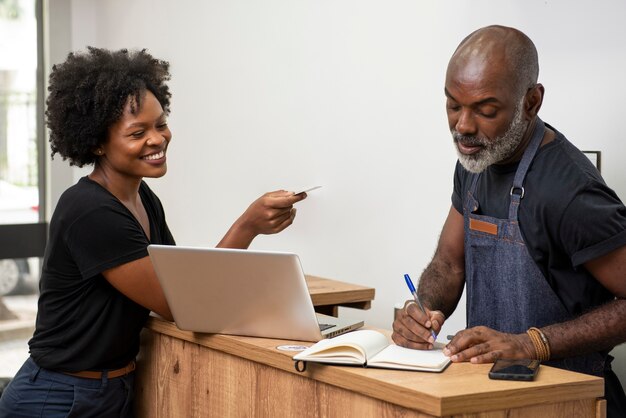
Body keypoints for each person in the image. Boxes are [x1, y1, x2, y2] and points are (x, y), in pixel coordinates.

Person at [0, 47, 306, 417]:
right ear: (97, 142)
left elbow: (185, 280)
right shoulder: (91, 212)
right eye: (137, 132)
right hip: (59, 397)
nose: (158, 139)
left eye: (160, 124)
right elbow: (183, 302)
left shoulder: (143, 197)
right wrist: (247, 226)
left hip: (108, 389)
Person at [392, 25, 626, 416]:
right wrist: (422, 311)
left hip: (570, 402)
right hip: (492, 398)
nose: (463, 126)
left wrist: (533, 343)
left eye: (486, 110)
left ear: (531, 102)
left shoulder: (569, 192)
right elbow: (450, 262)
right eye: (452, 105)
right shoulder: (475, 161)